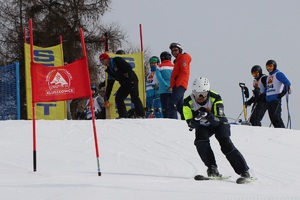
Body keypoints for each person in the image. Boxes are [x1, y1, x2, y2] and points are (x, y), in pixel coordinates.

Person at [183, 77, 251, 179]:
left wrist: (209, 114)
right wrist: (196, 119)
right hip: (203, 125)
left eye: (203, 94)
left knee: (225, 144)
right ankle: (212, 168)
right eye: (197, 94)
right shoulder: (187, 101)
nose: (200, 97)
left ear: (208, 92)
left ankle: (244, 171)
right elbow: (190, 124)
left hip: (218, 123)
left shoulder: (215, 97)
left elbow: (218, 121)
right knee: (200, 141)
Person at [99, 52, 145, 118]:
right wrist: (106, 98)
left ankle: (141, 115)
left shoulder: (116, 60)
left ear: (107, 59)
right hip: (125, 83)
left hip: (132, 79)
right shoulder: (109, 70)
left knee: (134, 97)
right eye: (101, 61)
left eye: (102, 60)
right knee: (119, 98)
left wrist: (131, 80)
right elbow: (109, 85)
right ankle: (123, 116)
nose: (102, 63)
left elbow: (128, 68)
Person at [168, 42, 191, 119]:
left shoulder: (183, 58)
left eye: (176, 50)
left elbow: (184, 72)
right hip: (177, 85)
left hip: (180, 84)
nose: (174, 52)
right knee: (180, 105)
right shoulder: (178, 60)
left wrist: (178, 83)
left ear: (180, 50)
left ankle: (173, 120)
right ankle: (186, 119)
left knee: (173, 102)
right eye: (173, 51)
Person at [265, 60, 291, 128]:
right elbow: (267, 88)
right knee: (272, 118)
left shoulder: (278, 74)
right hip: (269, 100)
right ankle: (277, 131)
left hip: (275, 99)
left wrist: (283, 92)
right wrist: (263, 95)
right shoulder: (268, 77)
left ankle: (282, 131)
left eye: (271, 66)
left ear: (274, 66)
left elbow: (287, 83)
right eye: (267, 66)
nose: (269, 68)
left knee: (276, 118)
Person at [156, 51, 174, 118]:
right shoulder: (174, 66)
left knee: (165, 108)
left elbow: (159, 78)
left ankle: (166, 122)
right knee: (172, 108)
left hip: (163, 90)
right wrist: (171, 86)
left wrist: (166, 86)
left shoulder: (159, 67)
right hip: (173, 90)